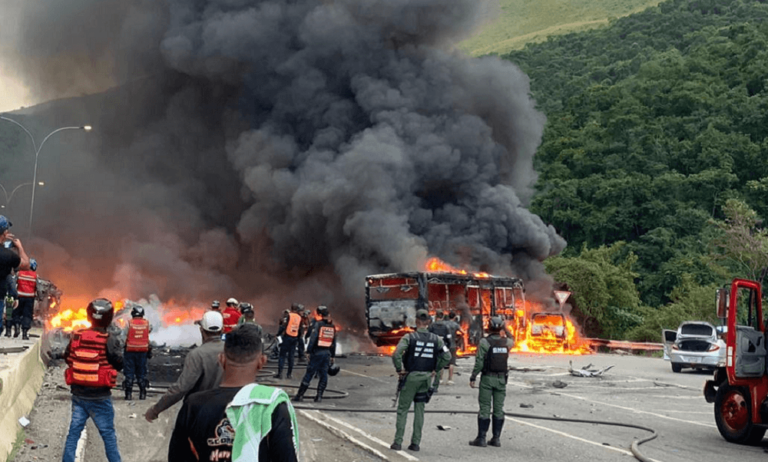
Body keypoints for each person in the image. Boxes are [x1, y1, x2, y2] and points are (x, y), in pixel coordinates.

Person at [169, 324, 300, 462]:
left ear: (221, 360)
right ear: (262, 362)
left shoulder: (193, 405)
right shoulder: (271, 406)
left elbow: (177, 457)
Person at [62, 298, 123, 462]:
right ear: (109, 318)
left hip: (79, 395)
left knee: (73, 433)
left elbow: (68, 358)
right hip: (100, 398)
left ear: (89, 316)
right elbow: (118, 363)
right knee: (108, 435)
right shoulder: (109, 339)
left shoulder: (77, 336)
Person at [144, 311, 225, 422]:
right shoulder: (234, 351)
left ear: (201, 330)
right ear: (223, 330)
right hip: (227, 413)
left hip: (199, 414)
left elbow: (181, 388)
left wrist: (156, 409)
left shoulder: (197, 355)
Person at [390, 309, 451, 452]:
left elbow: (396, 354)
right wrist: (436, 368)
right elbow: (447, 357)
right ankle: (415, 443)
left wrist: (399, 370)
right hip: (426, 378)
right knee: (420, 410)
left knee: (403, 410)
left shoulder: (409, 337)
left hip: (411, 377)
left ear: (416, 322)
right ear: (429, 322)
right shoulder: (437, 339)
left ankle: (398, 442)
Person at [469, 316, 514, 448]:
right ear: (501, 327)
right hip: (501, 380)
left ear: (488, 327)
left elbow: (479, 362)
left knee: (484, 408)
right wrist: (505, 328)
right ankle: (496, 438)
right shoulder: (507, 343)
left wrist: (473, 376)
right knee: (499, 409)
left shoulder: (484, 342)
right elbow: (513, 339)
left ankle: (481, 438)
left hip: (487, 379)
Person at [293, 305, 336, 403]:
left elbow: (313, 338)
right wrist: (332, 356)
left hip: (317, 353)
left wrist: (308, 351)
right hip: (327, 354)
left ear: (319, 314)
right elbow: (333, 342)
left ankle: (299, 396)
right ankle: (319, 396)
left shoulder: (318, 324)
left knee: (309, 373)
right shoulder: (332, 326)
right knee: (324, 375)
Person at [123, 305, 152, 400]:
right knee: (141, 372)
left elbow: (124, 336)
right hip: (143, 352)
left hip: (130, 351)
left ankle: (128, 395)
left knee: (129, 372)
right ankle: (142, 394)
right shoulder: (147, 324)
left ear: (132, 313)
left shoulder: (129, 323)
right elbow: (148, 334)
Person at [275, 303, 303, 380]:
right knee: (291, 356)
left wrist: (278, 334)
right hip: (294, 338)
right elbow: (300, 329)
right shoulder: (299, 317)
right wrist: (298, 337)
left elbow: (283, 326)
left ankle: (280, 374)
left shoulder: (288, 315)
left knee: (282, 355)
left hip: (287, 337)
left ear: (291, 309)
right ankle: (289, 374)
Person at [14, 258, 38, 340]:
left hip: (19, 296)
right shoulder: (35, 276)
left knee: (16, 312)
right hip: (30, 298)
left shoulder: (19, 273)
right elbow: (37, 288)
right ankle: (24, 334)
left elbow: (14, 284)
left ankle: (17, 325)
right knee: (27, 315)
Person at [428, 311, 453, 385]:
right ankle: (437, 382)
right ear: (442, 317)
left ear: (436, 316)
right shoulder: (446, 326)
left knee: (429, 365)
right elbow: (449, 338)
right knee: (440, 364)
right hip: (442, 347)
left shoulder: (431, 326)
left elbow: (427, 336)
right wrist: (448, 346)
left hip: (432, 347)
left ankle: (428, 383)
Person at [444, 311, 462, 384]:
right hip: (452, 345)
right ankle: (450, 379)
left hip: (444, 345)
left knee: (442, 362)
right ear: (454, 317)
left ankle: (440, 379)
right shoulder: (455, 325)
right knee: (452, 362)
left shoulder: (444, 324)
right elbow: (462, 332)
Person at [1, 273, 18, 337]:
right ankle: (9, 331)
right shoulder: (10, 277)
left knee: (7, 314)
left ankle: (8, 331)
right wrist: (16, 297)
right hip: (9, 297)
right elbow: (13, 288)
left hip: (4, 296)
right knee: (9, 314)